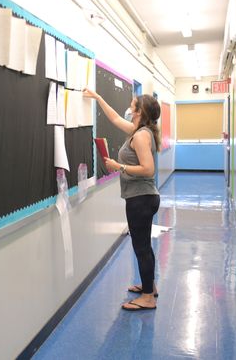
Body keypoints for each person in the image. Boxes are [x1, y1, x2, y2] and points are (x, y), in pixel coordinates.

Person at [83, 88, 161, 311]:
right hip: (142, 197)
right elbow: (115, 118)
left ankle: (147, 298)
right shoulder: (140, 130)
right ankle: (150, 286)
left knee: (142, 247)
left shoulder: (141, 135)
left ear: (138, 111)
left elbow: (148, 169)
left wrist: (120, 167)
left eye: (132, 104)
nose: (129, 107)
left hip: (141, 199)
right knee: (144, 246)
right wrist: (98, 97)